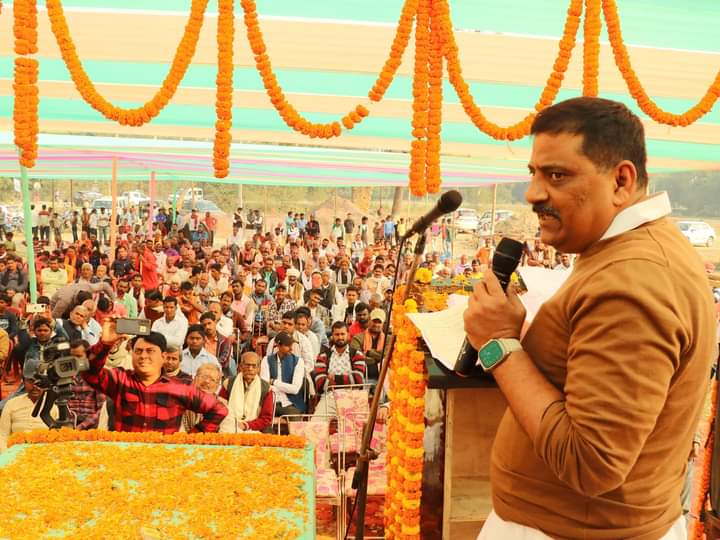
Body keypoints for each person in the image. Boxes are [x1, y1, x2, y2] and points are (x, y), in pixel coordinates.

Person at [463, 97, 716, 540]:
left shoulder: (633, 282)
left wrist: (499, 345)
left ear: (621, 181)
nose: (533, 193)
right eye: (534, 173)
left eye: (557, 175)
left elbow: (591, 462)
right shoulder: (623, 252)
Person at [82, 326, 227, 433]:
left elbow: (219, 410)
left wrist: (192, 437)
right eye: (138, 351)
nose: (143, 356)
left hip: (164, 459)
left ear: (163, 357)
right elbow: (89, 373)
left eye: (150, 351)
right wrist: (105, 344)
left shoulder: (180, 388)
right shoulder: (121, 380)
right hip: (126, 457)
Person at [0, 357, 57, 451]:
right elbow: (2, 436)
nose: (35, 386)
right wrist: (5, 455)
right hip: (14, 453)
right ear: (23, 381)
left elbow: (58, 438)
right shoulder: (11, 404)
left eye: (39, 382)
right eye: (30, 381)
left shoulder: (53, 405)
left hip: (44, 453)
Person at [312, 321, 366, 417]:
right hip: (329, 397)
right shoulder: (323, 356)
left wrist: (334, 379)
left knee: (355, 425)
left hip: (352, 397)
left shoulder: (357, 355)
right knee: (316, 423)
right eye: (337, 334)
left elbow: (358, 379)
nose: (340, 337)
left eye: (342, 334)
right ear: (332, 336)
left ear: (348, 335)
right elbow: (320, 383)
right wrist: (347, 379)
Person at [261, 331, 306, 416]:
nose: (291, 348)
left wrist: (274, 382)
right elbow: (265, 387)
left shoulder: (298, 361)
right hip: (270, 402)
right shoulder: (266, 360)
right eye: (287, 345)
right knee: (263, 418)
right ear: (278, 345)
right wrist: (286, 387)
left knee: (294, 418)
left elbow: (295, 389)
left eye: (291, 345)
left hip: (290, 403)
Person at [66, 340, 107, 430]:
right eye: (71, 356)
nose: (74, 360)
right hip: (68, 425)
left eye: (78, 356)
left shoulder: (98, 376)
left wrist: (82, 426)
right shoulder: (64, 376)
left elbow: (102, 409)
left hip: (92, 426)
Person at [181, 362, 224, 432]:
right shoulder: (182, 401)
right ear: (195, 379)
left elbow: (225, 431)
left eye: (212, 379)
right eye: (204, 377)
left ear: (217, 386)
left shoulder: (222, 405)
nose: (207, 381)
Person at [350, 308, 386, 385]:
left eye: (379, 322)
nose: (376, 325)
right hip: (362, 377)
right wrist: (377, 360)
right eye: (374, 321)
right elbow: (356, 357)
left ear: (383, 324)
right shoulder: (357, 338)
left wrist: (368, 352)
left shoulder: (388, 339)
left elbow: (386, 356)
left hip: (383, 379)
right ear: (369, 321)